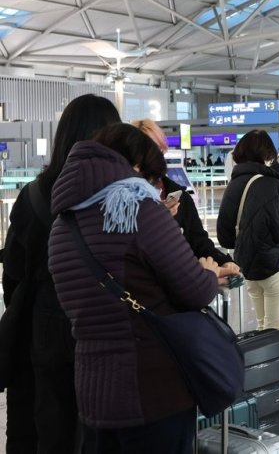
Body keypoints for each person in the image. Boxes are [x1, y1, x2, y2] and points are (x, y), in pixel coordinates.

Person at [47, 123, 226, 453]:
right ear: (138, 167)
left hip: (93, 389)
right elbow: (196, 290)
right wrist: (210, 273)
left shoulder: (62, 223)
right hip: (151, 388)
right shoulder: (138, 208)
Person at [0, 94, 120, 454]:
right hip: (104, 319)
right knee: (100, 419)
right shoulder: (119, 195)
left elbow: (14, 273)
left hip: (47, 321)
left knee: (50, 418)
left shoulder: (34, 194)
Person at [217, 130, 279, 329]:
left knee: (261, 324)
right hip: (276, 264)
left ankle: (259, 359)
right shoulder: (273, 184)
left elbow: (224, 236)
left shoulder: (233, 185)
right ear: (268, 156)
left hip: (248, 264)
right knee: (275, 327)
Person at [131, 119, 240, 276]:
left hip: (179, 284)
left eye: (156, 149)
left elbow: (198, 241)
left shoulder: (178, 195)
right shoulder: (121, 197)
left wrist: (223, 261)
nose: (151, 157)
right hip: (143, 286)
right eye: (143, 150)